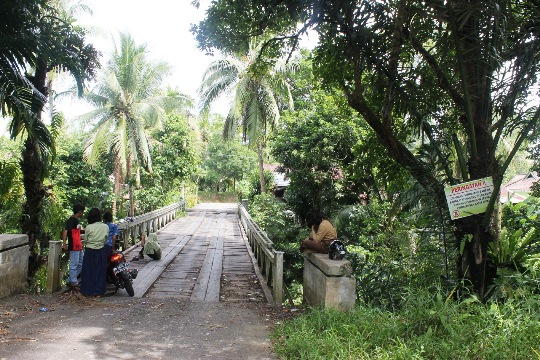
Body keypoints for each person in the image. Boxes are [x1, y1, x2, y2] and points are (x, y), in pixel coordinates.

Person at [80, 208, 109, 297]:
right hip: (101, 250)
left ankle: (88, 291)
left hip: (90, 251)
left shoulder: (89, 227)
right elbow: (106, 239)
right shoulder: (105, 226)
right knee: (100, 272)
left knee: (88, 271)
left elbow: (86, 239)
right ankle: (98, 292)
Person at [62, 203, 85, 289]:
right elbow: (65, 231)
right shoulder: (71, 220)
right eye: (82, 212)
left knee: (80, 264)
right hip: (74, 245)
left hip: (79, 245)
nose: (83, 213)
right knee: (74, 264)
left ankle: (69, 279)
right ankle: (74, 282)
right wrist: (64, 243)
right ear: (79, 212)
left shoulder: (76, 220)